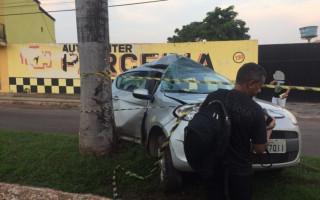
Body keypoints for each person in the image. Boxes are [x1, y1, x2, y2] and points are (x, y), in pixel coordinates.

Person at [200, 62, 275, 200]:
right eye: (260, 86)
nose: (259, 90)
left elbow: (201, 123)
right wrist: (269, 128)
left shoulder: (214, 96)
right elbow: (259, 148)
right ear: (251, 83)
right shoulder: (256, 110)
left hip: (213, 168)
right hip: (239, 172)